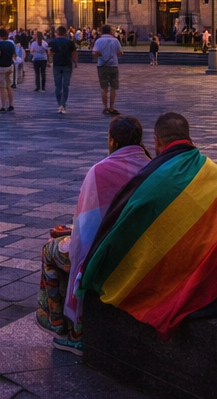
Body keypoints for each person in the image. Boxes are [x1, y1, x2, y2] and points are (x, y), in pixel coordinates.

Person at [77, 112, 217, 336]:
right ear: (189, 137)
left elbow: (122, 230)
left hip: (167, 271)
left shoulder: (152, 180)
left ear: (156, 141)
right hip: (215, 273)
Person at [38, 116, 149, 352]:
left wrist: (68, 236)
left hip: (105, 255)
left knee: (51, 250)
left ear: (112, 141)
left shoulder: (100, 171)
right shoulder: (152, 166)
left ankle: (65, 326)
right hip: (141, 251)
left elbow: (85, 233)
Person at [93, 25, 122, 116]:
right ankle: (112, 107)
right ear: (110, 31)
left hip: (102, 66)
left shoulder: (98, 40)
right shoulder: (115, 40)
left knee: (104, 89)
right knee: (113, 88)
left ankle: (105, 108)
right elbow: (120, 53)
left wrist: (99, 57)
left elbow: (94, 52)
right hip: (113, 66)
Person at [48, 26, 77, 114]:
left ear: (57, 33)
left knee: (58, 86)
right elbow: (74, 53)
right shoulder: (70, 42)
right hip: (67, 65)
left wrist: (49, 62)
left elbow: (50, 53)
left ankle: (59, 104)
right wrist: (75, 62)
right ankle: (63, 104)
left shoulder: (52, 42)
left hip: (57, 65)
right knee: (66, 85)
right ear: (65, 33)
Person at [0, 29, 17, 112]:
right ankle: (11, 105)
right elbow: (14, 54)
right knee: (9, 86)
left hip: (1, 66)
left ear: (0, 36)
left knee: (2, 87)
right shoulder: (12, 43)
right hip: (10, 65)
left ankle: (3, 106)